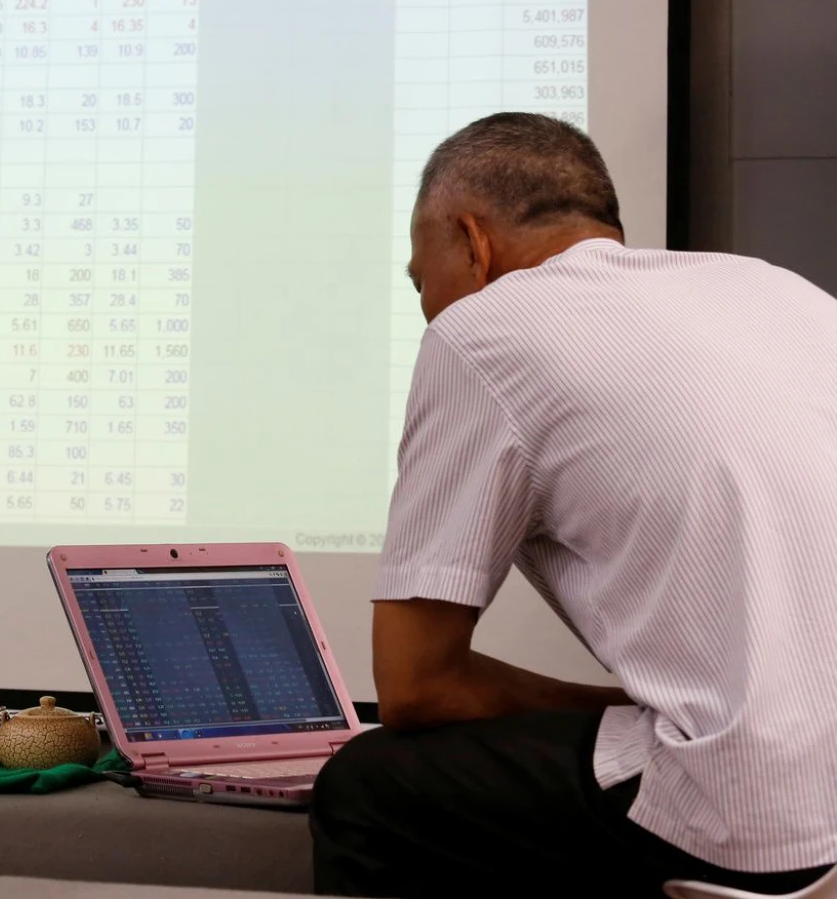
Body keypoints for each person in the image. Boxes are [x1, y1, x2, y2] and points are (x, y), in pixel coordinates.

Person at [311, 113, 837, 898]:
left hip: (762, 820)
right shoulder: (776, 288)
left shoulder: (481, 331)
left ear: (472, 241)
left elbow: (416, 688)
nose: (430, 308)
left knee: (368, 786)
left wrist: (611, 703)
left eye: (424, 282)